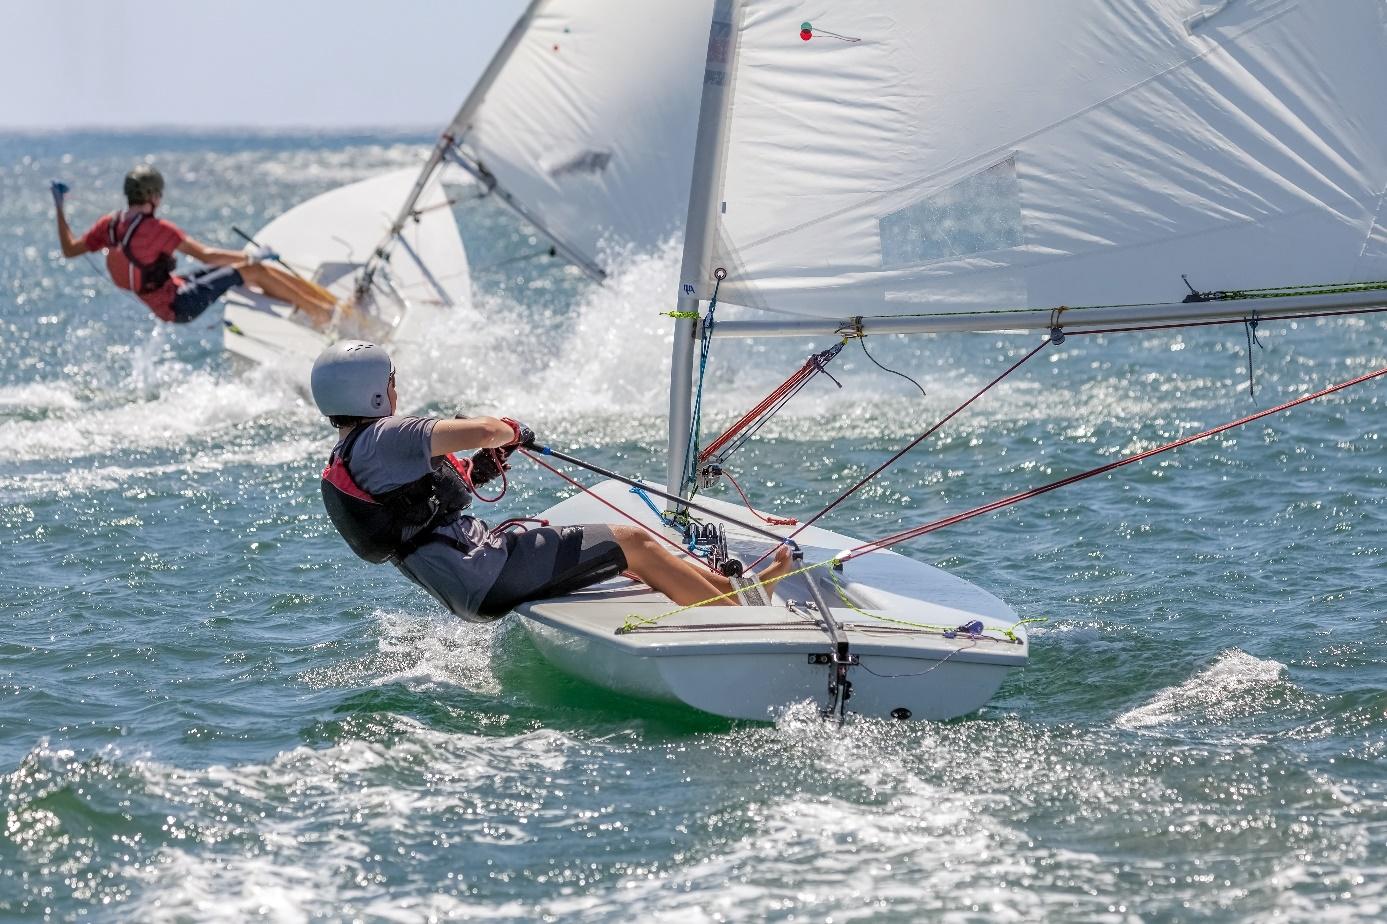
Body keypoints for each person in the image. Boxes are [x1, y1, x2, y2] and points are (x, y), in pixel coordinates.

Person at [310, 340, 792, 620]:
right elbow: (482, 429)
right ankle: (734, 609)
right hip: (485, 573)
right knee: (634, 543)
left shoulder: (351, 453)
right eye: (391, 379)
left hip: (466, 586)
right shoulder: (390, 435)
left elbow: (418, 509)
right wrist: (513, 430)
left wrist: (476, 470)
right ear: (374, 392)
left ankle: (731, 588)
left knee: (614, 549)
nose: (397, 387)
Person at [51, 165, 336, 327]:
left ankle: (315, 302)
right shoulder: (158, 230)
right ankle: (323, 313)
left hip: (171, 293)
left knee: (246, 270)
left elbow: (70, 249)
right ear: (154, 195)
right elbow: (206, 255)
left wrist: (59, 207)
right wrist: (252, 255)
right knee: (254, 270)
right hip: (179, 304)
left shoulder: (109, 225)